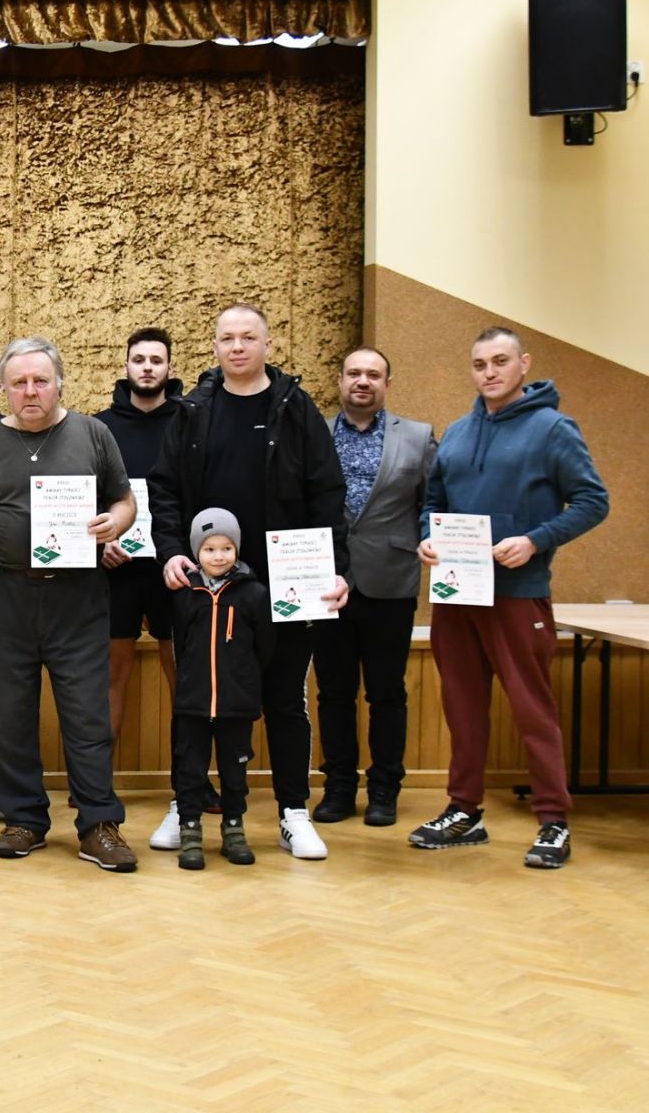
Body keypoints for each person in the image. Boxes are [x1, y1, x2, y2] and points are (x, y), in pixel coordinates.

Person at [148, 304, 347, 862]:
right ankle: (185, 806)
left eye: (248, 337)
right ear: (214, 347)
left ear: (268, 344)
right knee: (196, 705)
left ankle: (293, 812)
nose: (237, 347)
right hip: (206, 590)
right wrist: (170, 551)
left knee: (284, 700)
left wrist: (337, 567)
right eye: (227, 338)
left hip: (286, 586)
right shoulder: (192, 410)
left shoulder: (296, 409)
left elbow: (328, 491)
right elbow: (164, 489)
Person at [411, 328, 609, 869]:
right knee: (462, 707)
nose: (490, 372)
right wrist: (427, 536)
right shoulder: (457, 433)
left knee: (532, 709)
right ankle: (464, 811)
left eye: (500, 361)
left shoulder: (552, 428)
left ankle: (553, 821)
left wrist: (535, 541)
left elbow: (593, 501)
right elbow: (433, 502)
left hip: (519, 594)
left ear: (524, 363)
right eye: (480, 364)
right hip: (457, 594)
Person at [0, 337, 138, 871]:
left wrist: (115, 523)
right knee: (4, 715)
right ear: (4, 389)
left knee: (87, 714)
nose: (30, 391)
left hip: (76, 596)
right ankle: (23, 818)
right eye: (19, 383)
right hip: (1, 595)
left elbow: (124, 500)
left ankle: (98, 823)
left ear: (59, 382)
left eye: (40, 381)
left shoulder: (93, 434)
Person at [312, 347, 435, 828]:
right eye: (354, 373)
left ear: (387, 383)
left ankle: (385, 789)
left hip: (391, 581)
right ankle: (339, 787)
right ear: (340, 380)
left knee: (387, 694)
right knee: (333, 693)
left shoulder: (419, 437)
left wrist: (432, 539)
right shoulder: (315, 433)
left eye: (373, 374)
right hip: (328, 581)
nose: (362, 381)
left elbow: (432, 502)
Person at [169, 509, 274, 870]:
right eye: (210, 549)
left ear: (237, 550)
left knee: (235, 771)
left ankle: (234, 829)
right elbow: (180, 645)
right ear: (196, 552)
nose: (218, 556)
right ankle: (190, 830)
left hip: (236, 703)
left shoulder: (255, 594)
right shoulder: (185, 594)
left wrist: (243, 679)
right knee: (190, 770)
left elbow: (265, 648)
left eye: (226, 548)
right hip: (193, 704)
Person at [95, 329, 181, 747]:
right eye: (139, 360)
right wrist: (100, 543)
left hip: (175, 570)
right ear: (126, 365)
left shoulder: (189, 421)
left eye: (156, 360)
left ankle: (190, 776)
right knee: (113, 673)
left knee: (182, 672)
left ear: (170, 367)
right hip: (117, 571)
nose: (147, 368)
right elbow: (84, 495)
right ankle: (96, 778)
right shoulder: (100, 427)